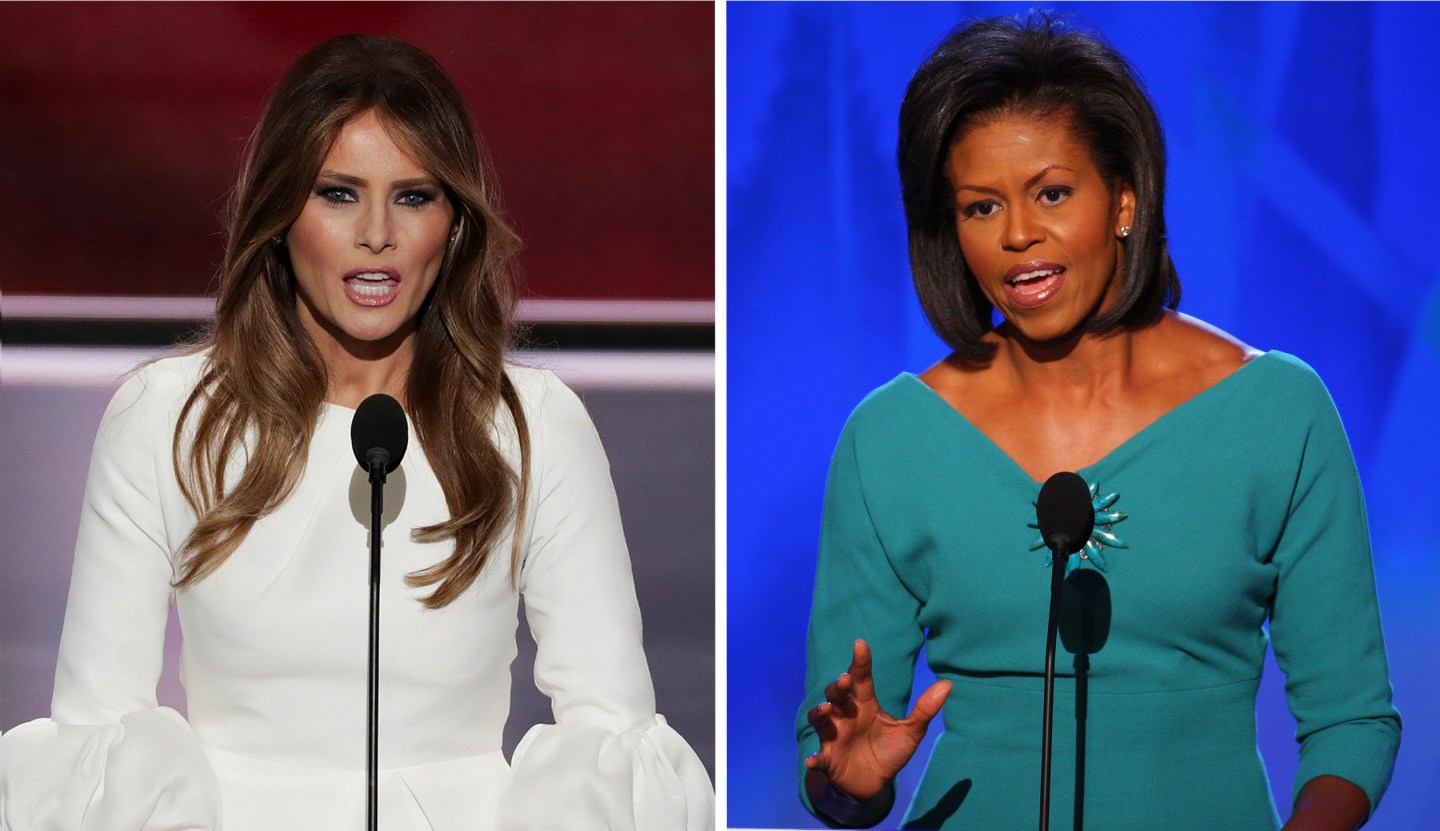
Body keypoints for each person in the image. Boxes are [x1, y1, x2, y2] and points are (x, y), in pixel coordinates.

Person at [0, 34, 713, 831]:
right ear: (280, 213)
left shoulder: (532, 425)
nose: (377, 233)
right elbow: (99, 731)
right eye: (339, 194)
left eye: (413, 196)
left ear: (455, 223)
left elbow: (611, 734)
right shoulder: (167, 417)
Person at [797, 14, 1399, 831]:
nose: (1017, 235)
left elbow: (1351, 721)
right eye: (981, 207)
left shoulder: (1277, 412)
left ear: (1123, 200)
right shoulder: (892, 438)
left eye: (1051, 193)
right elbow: (834, 762)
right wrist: (850, 784)